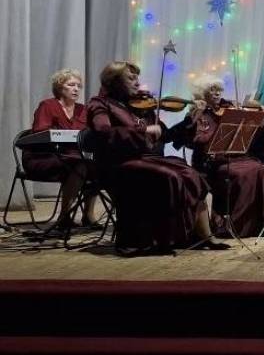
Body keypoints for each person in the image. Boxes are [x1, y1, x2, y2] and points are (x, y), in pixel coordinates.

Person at [86, 61, 229, 255]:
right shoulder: (100, 104)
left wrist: (189, 121)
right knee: (170, 176)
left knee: (189, 173)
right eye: (131, 78)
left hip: (144, 159)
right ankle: (160, 239)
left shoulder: (140, 105)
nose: (138, 83)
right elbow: (103, 132)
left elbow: (165, 135)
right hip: (117, 163)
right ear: (114, 81)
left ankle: (204, 235)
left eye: (137, 78)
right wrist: (143, 130)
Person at [171, 75, 264, 237]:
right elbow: (185, 141)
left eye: (219, 90)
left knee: (260, 168)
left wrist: (262, 117)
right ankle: (237, 225)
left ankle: (259, 223)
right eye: (212, 90)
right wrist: (194, 120)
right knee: (243, 174)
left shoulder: (229, 109)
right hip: (209, 163)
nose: (217, 93)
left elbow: (247, 132)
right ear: (203, 92)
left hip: (233, 157)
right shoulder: (197, 113)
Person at [21, 69, 99, 229]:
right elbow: (41, 134)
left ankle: (88, 215)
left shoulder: (83, 110)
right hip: (44, 157)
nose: (76, 89)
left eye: (78, 86)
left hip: (74, 157)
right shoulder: (47, 106)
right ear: (59, 87)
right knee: (81, 164)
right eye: (71, 85)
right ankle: (64, 216)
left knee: (97, 163)